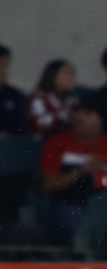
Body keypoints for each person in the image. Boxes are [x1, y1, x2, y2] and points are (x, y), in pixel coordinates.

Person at [39, 94, 107, 246]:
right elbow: (47, 186)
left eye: (87, 114)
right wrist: (80, 171)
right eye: (76, 112)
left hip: (102, 204)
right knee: (71, 217)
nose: (79, 118)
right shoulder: (57, 142)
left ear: (100, 118)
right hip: (69, 203)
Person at [27, 60, 78, 141]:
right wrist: (62, 117)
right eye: (67, 74)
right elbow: (38, 123)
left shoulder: (73, 101)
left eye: (72, 74)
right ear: (53, 76)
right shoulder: (39, 98)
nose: (71, 78)